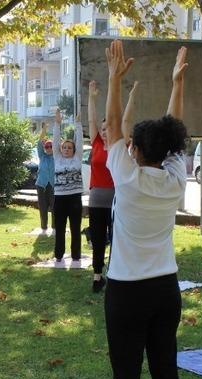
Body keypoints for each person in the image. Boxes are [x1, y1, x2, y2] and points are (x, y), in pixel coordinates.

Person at [104, 41, 188, 379]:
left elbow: (112, 124)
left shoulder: (128, 177)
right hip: (165, 289)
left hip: (126, 291)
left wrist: (114, 80)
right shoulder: (174, 179)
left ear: (134, 149)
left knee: (126, 370)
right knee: (163, 365)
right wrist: (177, 85)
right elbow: (173, 133)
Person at [87, 80, 115, 292]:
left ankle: (114, 275)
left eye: (107, 129)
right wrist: (92, 97)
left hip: (116, 200)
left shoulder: (120, 146)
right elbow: (91, 119)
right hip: (97, 199)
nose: (104, 131)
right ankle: (97, 277)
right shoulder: (96, 142)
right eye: (102, 129)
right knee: (97, 239)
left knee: (116, 238)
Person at [51, 108, 84, 263]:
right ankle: (59, 255)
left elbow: (80, 141)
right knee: (60, 228)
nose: (66, 149)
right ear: (61, 149)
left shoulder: (77, 158)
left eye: (69, 148)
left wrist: (78, 124)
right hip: (60, 199)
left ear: (74, 150)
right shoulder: (57, 158)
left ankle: (76, 256)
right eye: (64, 147)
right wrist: (57, 124)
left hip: (75, 198)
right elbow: (55, 140)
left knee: (75, 228)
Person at [34, 122, 55, 234]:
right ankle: (43, 227)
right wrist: (44, 130)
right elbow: (39, 142)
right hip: (41, 185)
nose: (49, 148)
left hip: (53, 185)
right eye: (47, 146)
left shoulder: (57, 157)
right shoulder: (42, 156)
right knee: (42, 207)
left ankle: (55, 228)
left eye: (51, 146)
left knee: (54, 207)